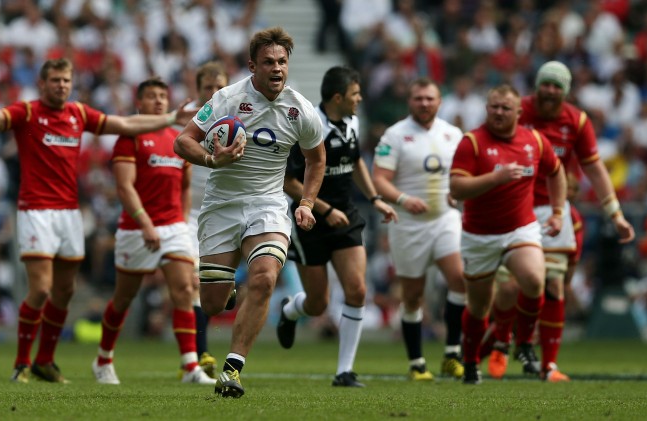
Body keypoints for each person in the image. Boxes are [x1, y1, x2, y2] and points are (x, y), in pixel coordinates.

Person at [0, 58, 195, 383]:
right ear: (42, 83)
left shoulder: (78, 113)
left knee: (64, 290)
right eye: (55, 80)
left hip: (69, 214)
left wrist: (170, 119)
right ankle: (21, 362)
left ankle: (44, 361)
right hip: (36, 211)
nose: (61, 85)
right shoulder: (28, 112)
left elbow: (123, 125)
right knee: (41, 288)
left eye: (66, 80)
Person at [174, 26, 326, 398]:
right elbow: (182, 141)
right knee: (210, 304)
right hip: (222, 207)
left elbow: (316, 158)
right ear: (252, 66)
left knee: (264, 277)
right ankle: (226, 291)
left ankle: (232, 369)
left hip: (268, 205)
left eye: (282, 61)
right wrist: (213, 159)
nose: (277, 69)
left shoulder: (300, 109)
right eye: (269, 62)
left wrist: (305, 202)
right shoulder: (227, 98)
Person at [485, 61, 635, 382]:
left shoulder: (577, 121)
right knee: (510, 288)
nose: (550, 91)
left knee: (554, 285)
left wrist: (616, 215)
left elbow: (595, 169)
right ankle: (500, 343)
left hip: (553, 208)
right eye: (546, 84)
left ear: (565, 91)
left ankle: (548, 365)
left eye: (557, 86)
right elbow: (488, 147)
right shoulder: (517, 110)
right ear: (537, 85)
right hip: (514, 206)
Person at [276, 66, 397, 388]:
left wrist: (374, 198)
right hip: (310, 220)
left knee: (357, 290)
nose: (360, 100)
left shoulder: (353, 121)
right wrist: (324, 209)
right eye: (355, 95)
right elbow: (288, 182)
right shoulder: (308, 127)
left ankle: (344, 371)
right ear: (338, 97)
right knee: (318, 304)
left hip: (346, 217)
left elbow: (355, 160)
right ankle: (291, 311)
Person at [91, 77, 215, 385]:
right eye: (151, 96)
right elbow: (124, 186)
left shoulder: (178, 139)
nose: (159, 101)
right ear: (139, 104)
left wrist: (183, 223)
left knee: (185, 290)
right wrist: (145, 223)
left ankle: (190, 367)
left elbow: (185, 187)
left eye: (163, 95)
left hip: (174, 228)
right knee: (123, 298)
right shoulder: (129, 137)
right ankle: (103, 359)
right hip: (136, 229)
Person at [449, 84, 567, 385]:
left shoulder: (534, 141)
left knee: (533, 279)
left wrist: (557, 212)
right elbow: (457, 188)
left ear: (518, 112)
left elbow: (556, 172)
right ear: (487, 109)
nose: (498, 112)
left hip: (520, 228)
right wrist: (495, 178)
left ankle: (525, 344)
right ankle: (472, 360)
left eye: (505, 108)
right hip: (479, 235)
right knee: (478, 306)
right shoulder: (472, 142)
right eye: (494, 107)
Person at [371, 77, 466, 381]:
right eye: (418, 99)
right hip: (408, 225)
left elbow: (463, 176)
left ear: (439, 101)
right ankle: (416, 362)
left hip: (445, 219)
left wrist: (459, 192)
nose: (424, 103)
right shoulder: (395, 136)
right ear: (409, 102)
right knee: (412, 295)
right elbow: (379, 179)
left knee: (459, 279)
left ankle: (452, 353)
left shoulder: (453, 134)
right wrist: (402, 199)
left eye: (430, 98)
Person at [184, 61, 230, 379]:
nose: (213, 93)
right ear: (197, 89)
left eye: (219, 87)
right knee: (191, 283)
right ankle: (198, 355)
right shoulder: (187, 119)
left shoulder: (239, 114)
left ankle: (196, 352)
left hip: (223, 210)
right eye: (207, 88)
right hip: (187, 214)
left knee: (216, 287)